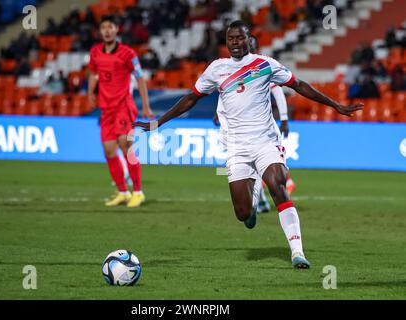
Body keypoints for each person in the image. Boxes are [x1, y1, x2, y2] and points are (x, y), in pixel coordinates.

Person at [134, 21, 363, 268]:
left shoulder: (265, 64)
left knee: (277, 185)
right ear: (226, 41)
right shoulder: (216, 69)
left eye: (240, 38)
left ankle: (297, 252)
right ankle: (253, 199)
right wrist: (159, 123)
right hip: (236, 147)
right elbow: (191, 98)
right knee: (243, 213)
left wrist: (335, 105)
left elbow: (298, 85)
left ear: (249, 39)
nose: (235, 42)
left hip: (266, 141)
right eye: (231, 38)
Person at [213, 35, 295, 213]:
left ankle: (282, 186)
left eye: (250, 45)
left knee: (260, 166)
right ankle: (262, 200)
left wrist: (284, 118)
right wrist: (218, 111)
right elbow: (228, 93)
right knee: (246, 169)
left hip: (263, 132)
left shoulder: (262, 67)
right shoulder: (232, 69)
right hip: (238, 131)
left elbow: (279, 93)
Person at [88, 15, 154, 208]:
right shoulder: (95, 52)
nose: (107, 30)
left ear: (117, 29)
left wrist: (146, 106)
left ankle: (138, 192)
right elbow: (93, 73)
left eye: (110, 27)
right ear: (100, 31)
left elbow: (140, 79)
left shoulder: (128, 54)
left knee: (126, 146)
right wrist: (91, 93)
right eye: (103, 27)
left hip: (123, 106)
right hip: (106, 108)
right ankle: (123, 192)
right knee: (109, 150)